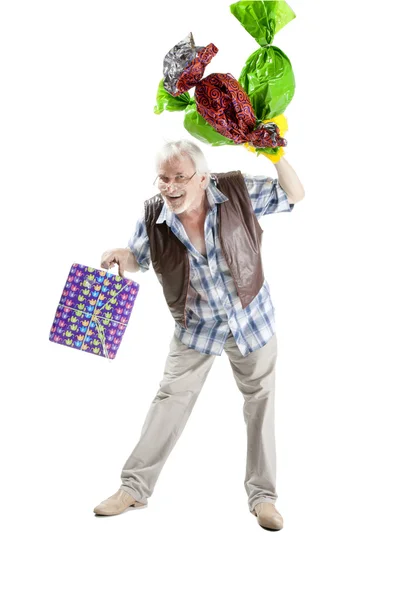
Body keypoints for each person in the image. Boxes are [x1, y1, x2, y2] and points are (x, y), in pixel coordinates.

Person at [95, 139, 305, 530]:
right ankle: (133, 488)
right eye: (163, 178)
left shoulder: (237, 193)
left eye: (179, 178)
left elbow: (294, 194)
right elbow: (137, 258)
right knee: (169, 400)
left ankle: (263, 498)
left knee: (260, 405)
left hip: (250, 319)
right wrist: (119, 257)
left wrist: (277, 155)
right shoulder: (153, 216)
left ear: (203, 178)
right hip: (195, 326)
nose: (170, 186)